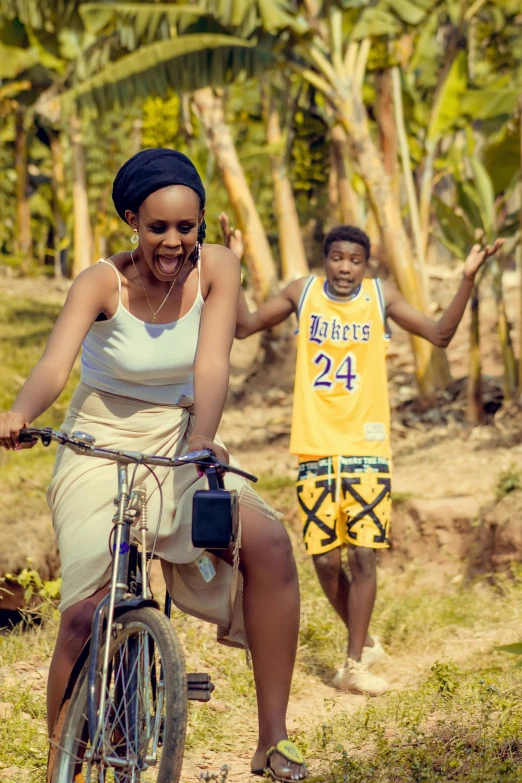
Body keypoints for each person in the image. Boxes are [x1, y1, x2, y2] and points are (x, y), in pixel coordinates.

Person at [0, 150, 308, 782]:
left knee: (270, 542)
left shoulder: (218, 267)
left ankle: (272, 739)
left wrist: (201, 439)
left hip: (183, 432)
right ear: (131, 220)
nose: (173, 242)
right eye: (158, 228)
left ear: (200, 226)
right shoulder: (98, 283)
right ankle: (67, 764)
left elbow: (213, 364)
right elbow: (54, 367)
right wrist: (18, 413)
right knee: (85, 614)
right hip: (98, 436)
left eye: (186, 229)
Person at [220, 212, 503, 696]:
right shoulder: (301, 294)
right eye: (337, 258)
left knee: (364, 557)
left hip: (367, 449)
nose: (345, 268)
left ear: (366, 266)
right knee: (326, 564)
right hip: (314, 448)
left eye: (355, 260)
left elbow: (438, 334)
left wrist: (467, 278)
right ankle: (365, 639)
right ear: (324, 260)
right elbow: (244, 326)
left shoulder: (380, 297)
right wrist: (234, 262)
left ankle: (352, 665)